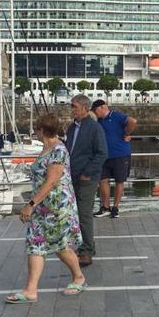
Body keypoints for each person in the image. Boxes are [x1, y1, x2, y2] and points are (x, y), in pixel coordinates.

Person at [7, 113, 86, 303]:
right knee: (35, 244)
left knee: (60, 247)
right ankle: (30, 290)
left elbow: (51, 181)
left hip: (57, 207)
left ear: (42, 130)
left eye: (36, 129)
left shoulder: (58, 150)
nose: (35, 132)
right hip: (42, 208)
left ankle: (78, 277)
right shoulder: (46, 148)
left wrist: (30, 204)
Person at [65, 95, 108, 267]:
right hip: (72, 176)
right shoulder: (71, 128)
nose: (72, 109)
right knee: (75, 214)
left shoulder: (95, 128)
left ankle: (87, 251)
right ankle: (82, 247)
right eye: (71, 106)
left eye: (74, 106)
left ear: (84, 108)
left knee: (84, 214)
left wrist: (88, 173)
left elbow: (102, 153)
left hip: (87, 178)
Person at [91, 99, 137, 219]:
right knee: (102, 180)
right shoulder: (97, 121)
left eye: (95, 110)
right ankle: (105, 207)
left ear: (102, 108)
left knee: (119, 181)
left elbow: (132, 121)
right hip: (103, 155)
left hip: (120, 154)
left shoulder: (116, 115)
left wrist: (127, 133)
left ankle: (115, 208)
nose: (94, 113)